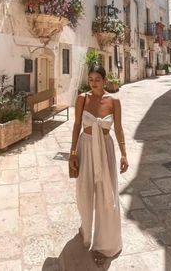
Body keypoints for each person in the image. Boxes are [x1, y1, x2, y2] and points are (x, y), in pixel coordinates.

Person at [69, 64, 128, 266]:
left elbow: (118, 128)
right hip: (85, 147)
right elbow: (77, 124)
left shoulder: (114, 101)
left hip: (105, 149)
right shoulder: (82, 99)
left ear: (105, 81)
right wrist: (72, 152)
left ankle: (105, 244)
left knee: (106, 196)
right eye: (91, 79)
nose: (93, 83)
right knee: (84, 193)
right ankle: (86, 231)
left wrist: (124, 154)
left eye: (98, 79)